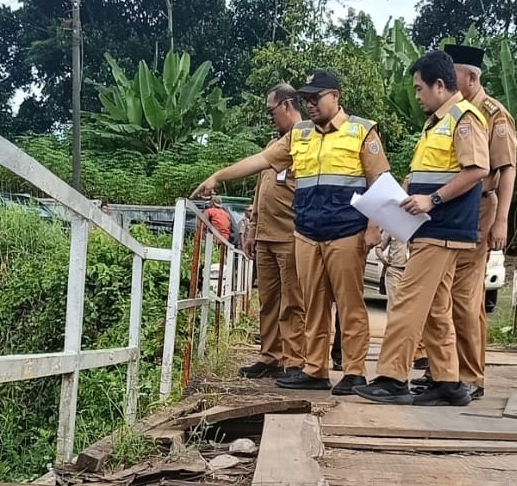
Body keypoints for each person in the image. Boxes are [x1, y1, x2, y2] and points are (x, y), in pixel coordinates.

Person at [193, 68, 387, 395]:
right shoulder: (299, 135)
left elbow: (380, 181)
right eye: (306, 99)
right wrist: (219, 176)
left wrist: (373, 228)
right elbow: (261, 160)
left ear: (336, 97)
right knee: (313, 306)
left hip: (346, 233)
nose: (310, 104)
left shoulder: (361, 131)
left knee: (350, 304)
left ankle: (355, 372)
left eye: (316, 97)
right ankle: (316, 369)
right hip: (308, 234)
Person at [355, 50, 490, 406]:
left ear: (440, 85)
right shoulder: (437, 123)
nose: (417, 97)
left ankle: (392, 377)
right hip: (431, 228)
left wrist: (433, 200)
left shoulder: (463, 118)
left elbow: (477, 169)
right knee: (435, 307)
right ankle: (448, 380)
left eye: (419, 89)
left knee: (407, 303)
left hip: (442, 227)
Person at [433, 43, 517, 399]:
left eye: (455, 74)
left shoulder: (493, 113)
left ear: (470, 76)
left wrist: (501, 221)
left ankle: (470, 376)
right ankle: (448, 371)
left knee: (466, 296)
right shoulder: (451, 112)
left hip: (479, 207)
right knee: (446, 294)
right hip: (450, 209)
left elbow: (507, 169)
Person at [239, 85, 308, 379]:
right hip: (266, 236)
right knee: (268, 300)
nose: (270, 117)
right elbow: (260, 190)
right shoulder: (272, 144)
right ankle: (270, 355)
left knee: (293, 302)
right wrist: (252, 229)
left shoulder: (305, 140)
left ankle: (294, 360)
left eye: (272, 110)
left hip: (290, 235)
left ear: (288, 105)